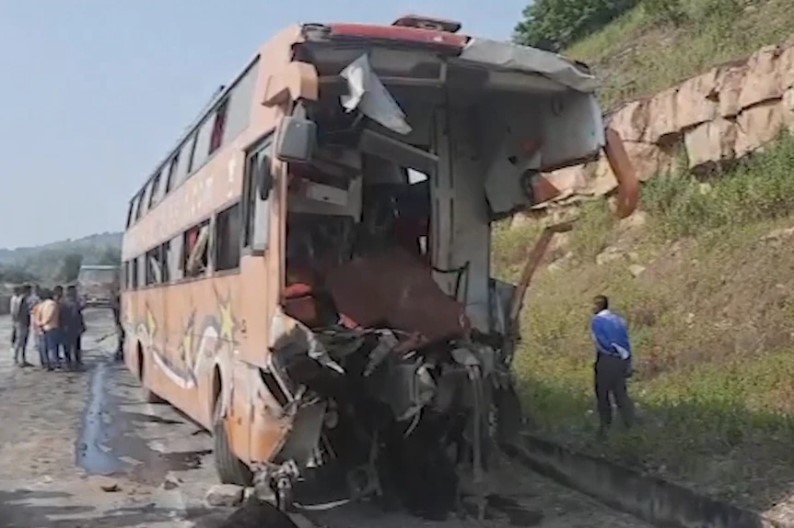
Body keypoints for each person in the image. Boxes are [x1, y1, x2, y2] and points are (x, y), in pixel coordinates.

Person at [590, 295, 635, 438]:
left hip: (607, 359)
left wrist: (608, 352)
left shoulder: (597, 321)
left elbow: (601, 342)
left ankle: (605, 427)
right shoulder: (619, 320)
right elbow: (626, 341)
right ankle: (629, 425)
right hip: (622, 360)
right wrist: (627, 360)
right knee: (620, 393)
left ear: (597, 306)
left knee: (602, 393)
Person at [35, 289, 61, 371]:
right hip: (51, 327)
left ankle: (46, 364)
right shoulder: (52, 304)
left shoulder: (41, 304)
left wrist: (39, 324)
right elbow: (50, 315)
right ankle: (54, 364)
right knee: (52, 347)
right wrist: (44, 323)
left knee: (44, 347)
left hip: (43, 328)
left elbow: (36, 315)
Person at [61, 285, 86, 369]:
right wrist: (82, 326)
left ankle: (68, 361)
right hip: (74, 327)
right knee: (76, 345)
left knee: (67, 346)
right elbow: (77, 316)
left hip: (65, 327)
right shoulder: (75, 303)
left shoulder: (63, 302)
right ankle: (77, 361)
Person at [12, 285, 33, 367]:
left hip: (24, 323)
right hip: (21, 323)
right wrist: (17, 322)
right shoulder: (21, 299)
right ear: (26, 291)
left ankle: (23, 359)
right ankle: (16, 359)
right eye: (30, 291)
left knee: (24, 342)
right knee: (19, 341)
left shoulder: (25, 299)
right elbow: (16, 312)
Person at [9, 286, 22, 357]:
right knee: (16, 335)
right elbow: (14, 310)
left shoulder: (15, 298)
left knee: (15, 333)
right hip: (16, 319)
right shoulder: (15, 299)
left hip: (15, 319)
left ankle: (13, 348)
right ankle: (14, 352)